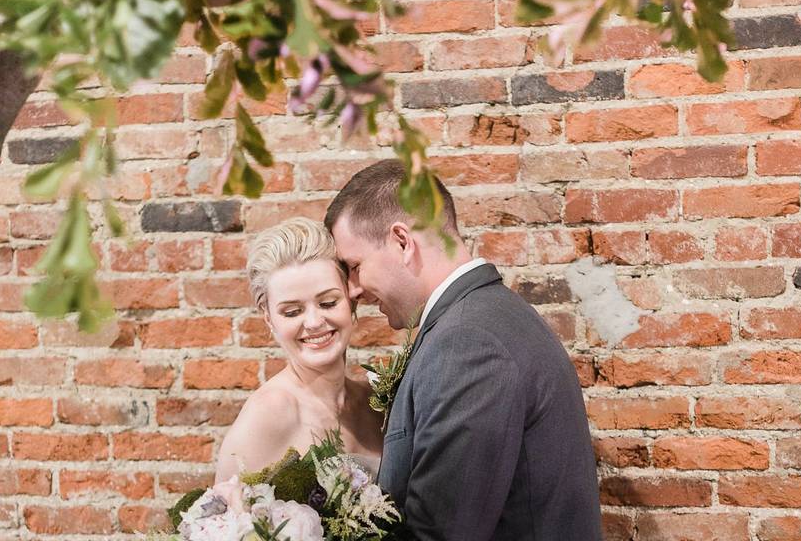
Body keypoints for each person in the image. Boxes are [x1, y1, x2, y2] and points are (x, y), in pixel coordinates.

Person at [325, 159, 602, 541]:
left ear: (402, 242)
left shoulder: (468, 342)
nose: (353, 289)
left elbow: (441, 531)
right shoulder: (487, 316)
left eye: (355, 266)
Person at [213, 217, 383, 483]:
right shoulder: (269, 414)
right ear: (269, 319)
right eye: (292, 311)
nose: (314, 323)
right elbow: (226, 518)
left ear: (351, 303)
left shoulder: (375, 402)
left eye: (328, 303)